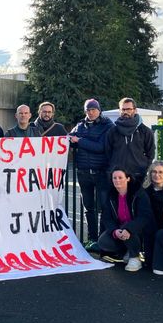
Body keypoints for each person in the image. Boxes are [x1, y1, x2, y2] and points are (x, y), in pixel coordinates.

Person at [69, 99, 114, 252]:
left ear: (99, 110)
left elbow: (101, 147)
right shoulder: (80, 125)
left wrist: (79, 141)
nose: (91, 112)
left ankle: (103, 239)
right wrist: (71, 140)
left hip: (101, 172)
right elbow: (70, 139)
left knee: (104, 207)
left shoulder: (108, 126)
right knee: (88, 208)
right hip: (83, 173)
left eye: (94, 109)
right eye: (88, 110)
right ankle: (92, 238)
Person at [98, 167, 155, 271]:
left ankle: (135, 257)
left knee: (127, 228)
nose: (117, 180)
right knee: (103, 242)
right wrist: (114, 231)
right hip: (120, 228)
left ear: (128, 179)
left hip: (138, 230)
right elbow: (106, 218)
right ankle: (126, 251)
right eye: (114, 178)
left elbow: (145, 216)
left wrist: (129, 229)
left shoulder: (139, 193)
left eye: (120, 177)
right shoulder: (110, 195)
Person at [106, 97, 155, 180]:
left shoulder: (145, 131)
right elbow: (108, 152)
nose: (125, 112)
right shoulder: (112, 131)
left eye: (129, 109)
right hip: (118, 176)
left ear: (135, 110)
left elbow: (150, 153)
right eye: (123, 109)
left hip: (139, 174)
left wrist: (144, 168)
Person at [143, 161, 163, 230]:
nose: (157, 175)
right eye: (154, 172)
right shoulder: (144, 192)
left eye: (160, 172)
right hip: (147, 229)